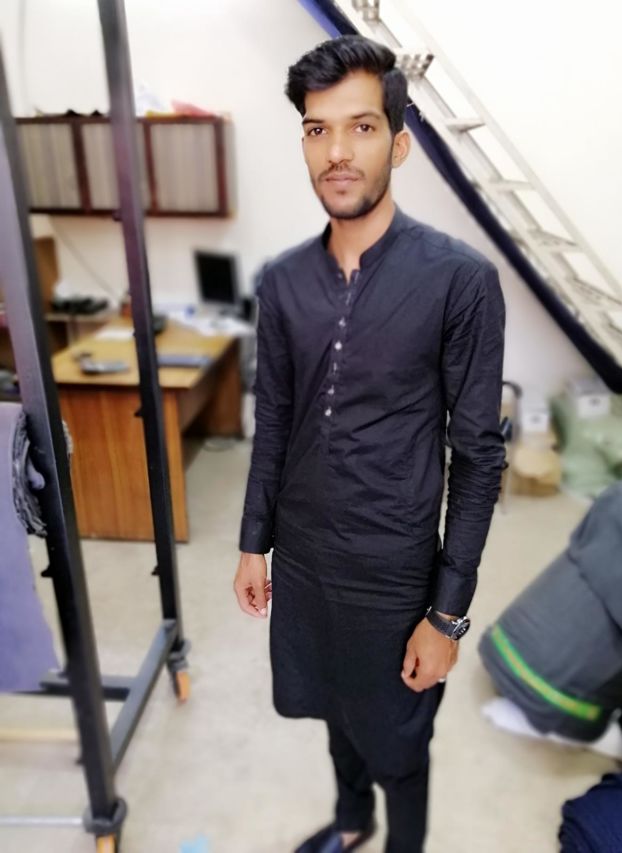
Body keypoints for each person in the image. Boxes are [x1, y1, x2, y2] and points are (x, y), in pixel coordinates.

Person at [234, 34, 506, 853]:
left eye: (361, 127)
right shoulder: (283, 281)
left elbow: (478, 457)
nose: (337, 152)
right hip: (305, 563)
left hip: (395, 573)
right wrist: (253, 543)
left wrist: (446, 615)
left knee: (399, 739)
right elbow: (273, 420)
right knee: (333, 709)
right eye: (317, 130)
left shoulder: (459, 281)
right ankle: (353, 823)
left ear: (400, 143)